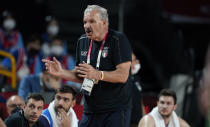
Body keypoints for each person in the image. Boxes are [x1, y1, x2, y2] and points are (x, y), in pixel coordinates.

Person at [42, 4, 132, 127]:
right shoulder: (82, 41)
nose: (87, 26)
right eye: (85, 22)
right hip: (90, 109)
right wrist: (62, 72)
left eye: (92, 21)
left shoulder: (118, 39)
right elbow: (81, 75)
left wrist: (98, 74)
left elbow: (123, 75)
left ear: (104, 22)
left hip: (115, 109)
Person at [130, 52, 145, 127]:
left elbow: (140, 101)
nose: (137, 62)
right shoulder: (123, 81)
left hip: (138, 122)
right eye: (134, 60)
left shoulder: (136, 78)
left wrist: (144, 119)